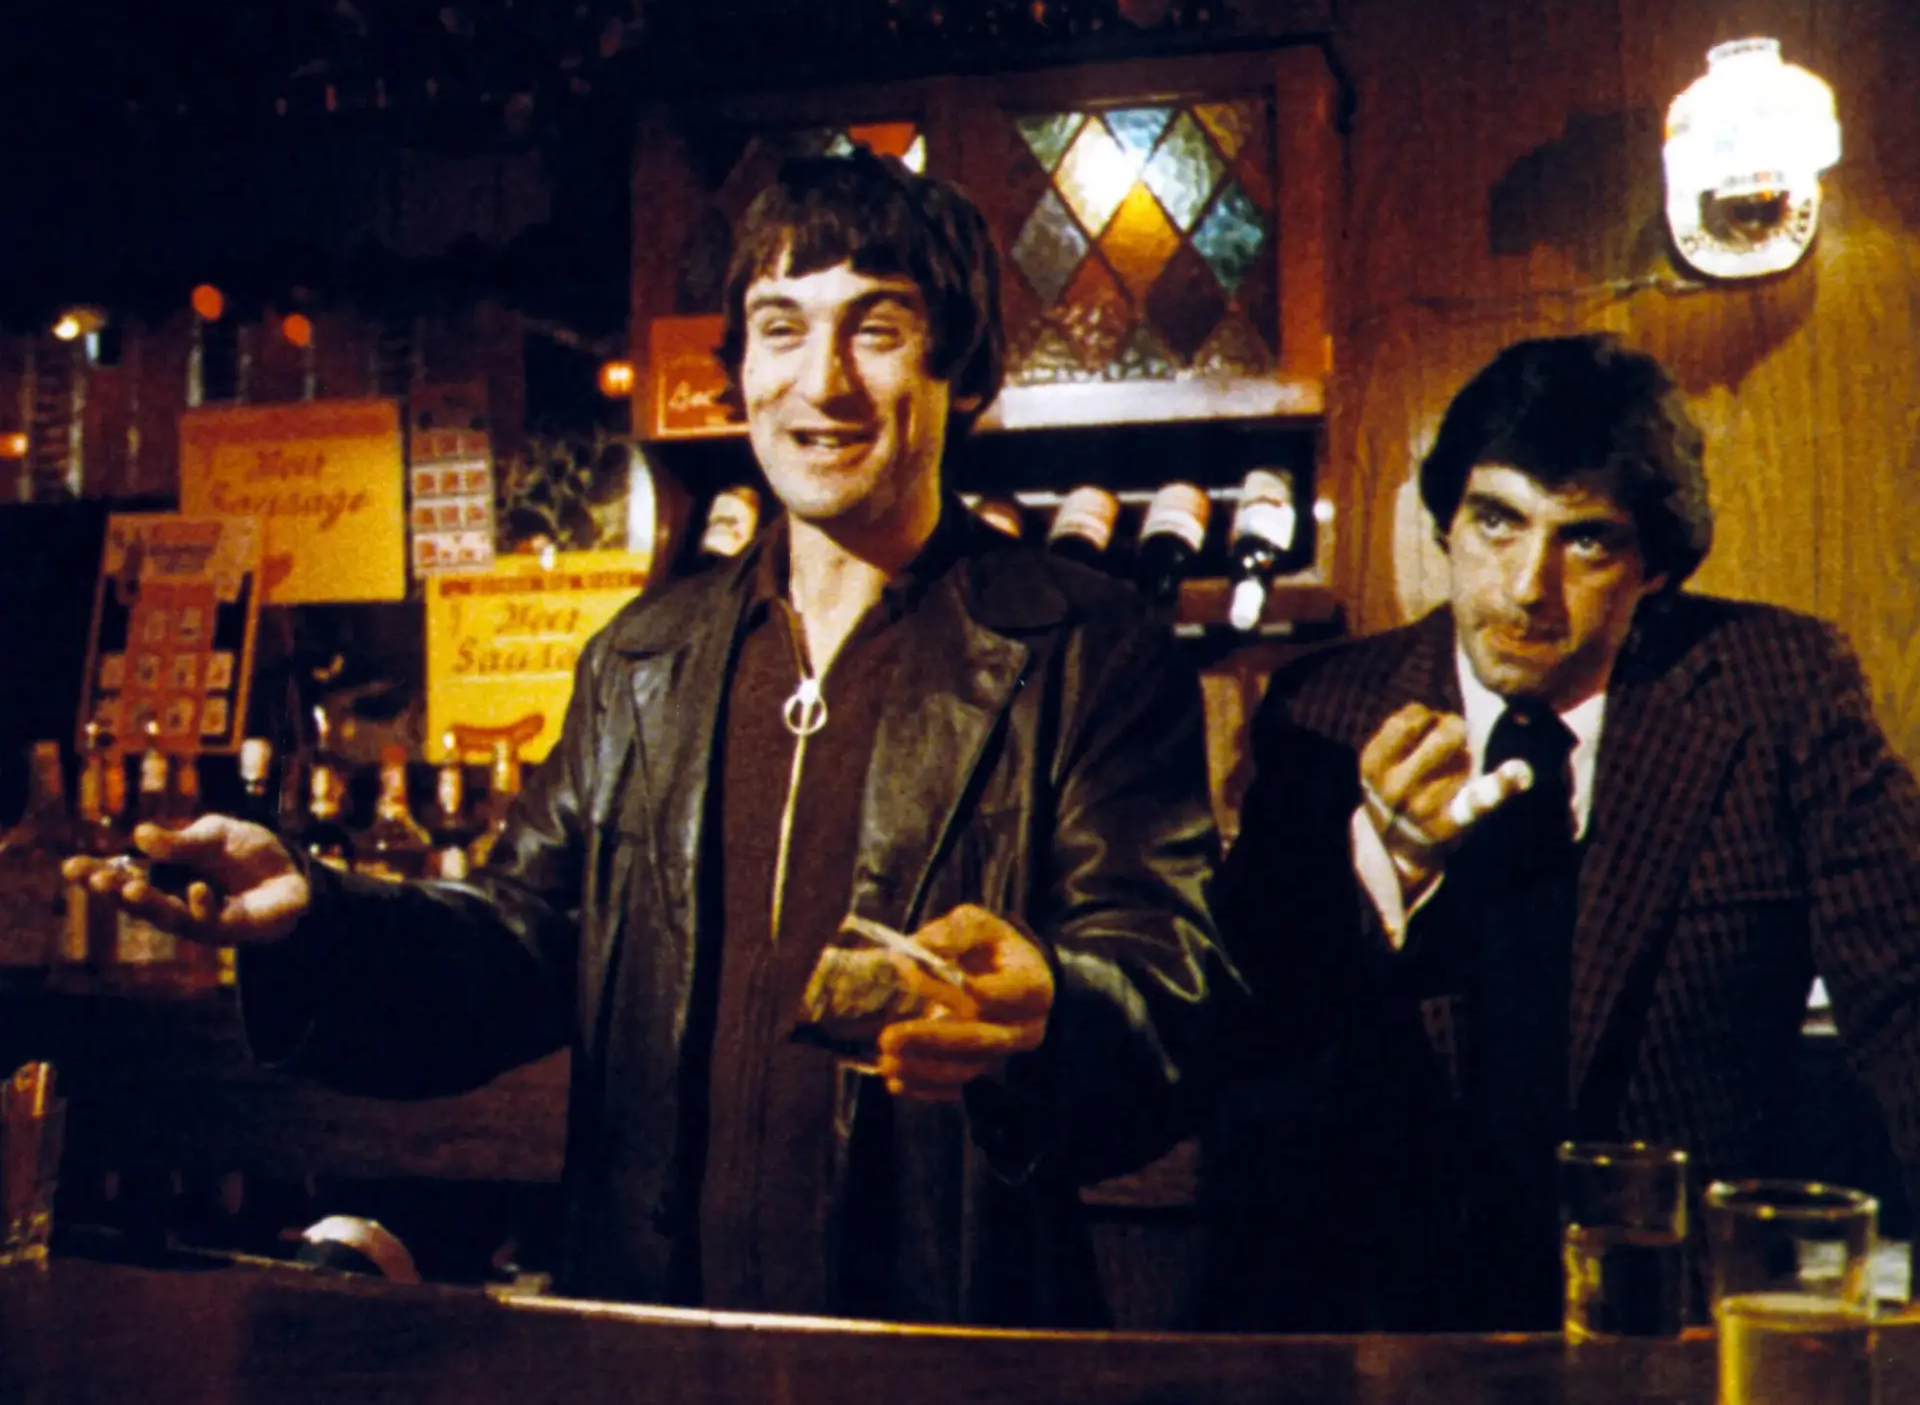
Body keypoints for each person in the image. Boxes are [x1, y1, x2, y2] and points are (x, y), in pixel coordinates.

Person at [71, 151, 1236, 1326]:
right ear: (740, 370)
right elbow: (519, 946)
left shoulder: (1087, 649)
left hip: (943, 1344)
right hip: (655, 1336)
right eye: (780, 329)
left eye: (877, 330)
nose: (821, 380)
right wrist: (319, 917)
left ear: (962, 367)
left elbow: (1173, 991)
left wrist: (1054, 1011)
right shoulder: (642, 660)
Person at [1202, 333, 1920, 1332]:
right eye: (1496, 521)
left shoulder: (1776, 689)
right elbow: (1249, 1038)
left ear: (1654, 567)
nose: (1525, 587)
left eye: (1585, 540)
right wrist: (1391, 863)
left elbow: (1905, 995)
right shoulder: (1323, 710)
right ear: (1446, 521)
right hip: (1397, 1329)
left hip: (1679, 1321)